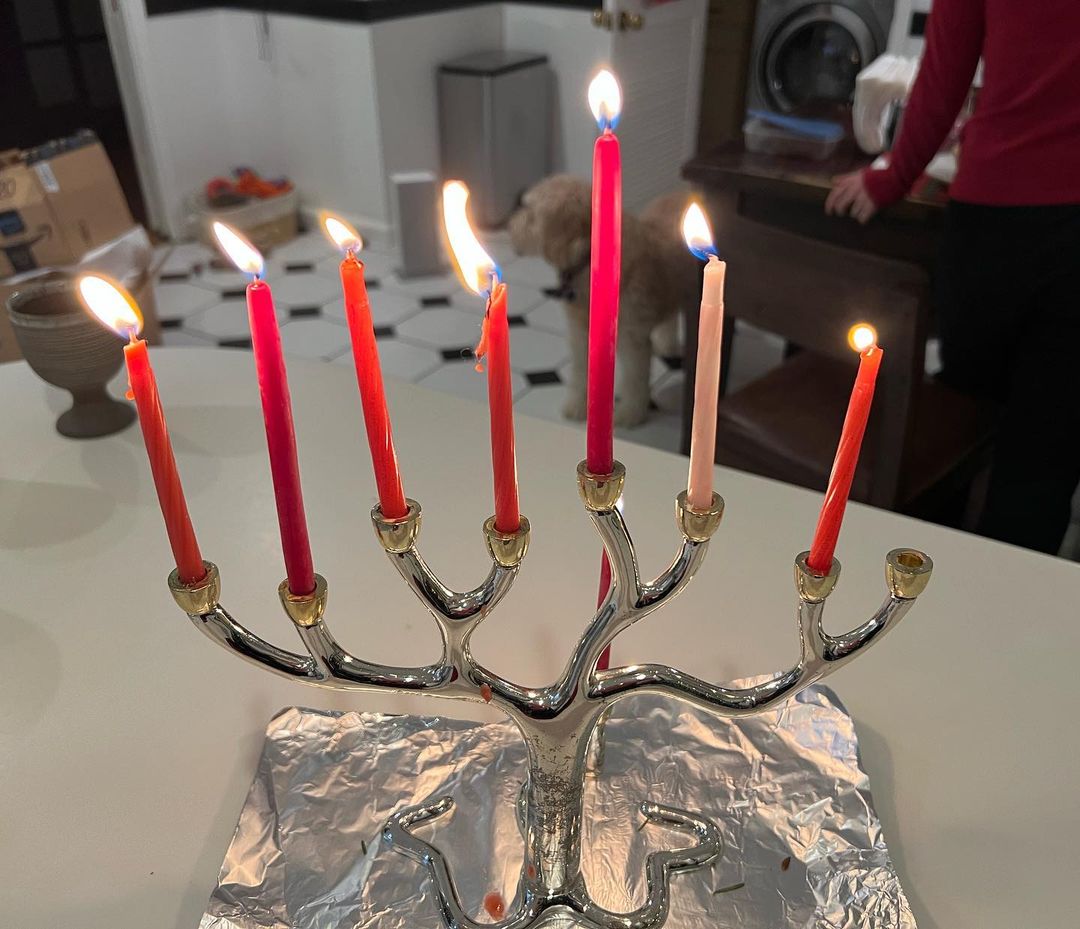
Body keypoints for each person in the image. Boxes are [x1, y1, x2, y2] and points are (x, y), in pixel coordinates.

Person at [825, 0, 1080, 556]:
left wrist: (890, 178)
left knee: (959, 419)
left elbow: (942, 81)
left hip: (998, 216)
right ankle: (1007, 598)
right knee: (1046, 453)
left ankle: (918, 579)